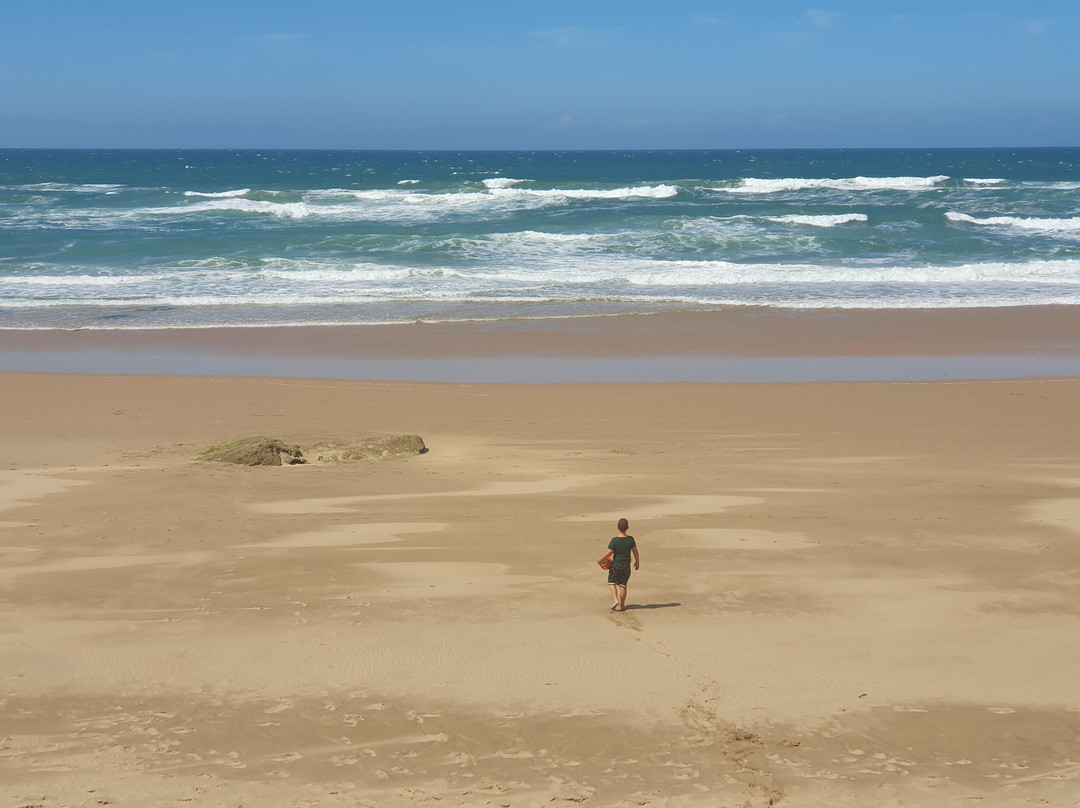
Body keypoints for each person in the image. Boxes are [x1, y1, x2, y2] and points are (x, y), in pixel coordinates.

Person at [597, 517, 639, 611]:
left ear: (617, 527)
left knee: (611, 582)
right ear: (627, 527)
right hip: (626, 566)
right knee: (623, 585)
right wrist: (637, 562)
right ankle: (623, 605)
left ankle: (615, 600)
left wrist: (600, 560)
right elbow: (635, 552)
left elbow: (609, 552)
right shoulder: (630, 539)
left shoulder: (615, 540)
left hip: (616, 565)